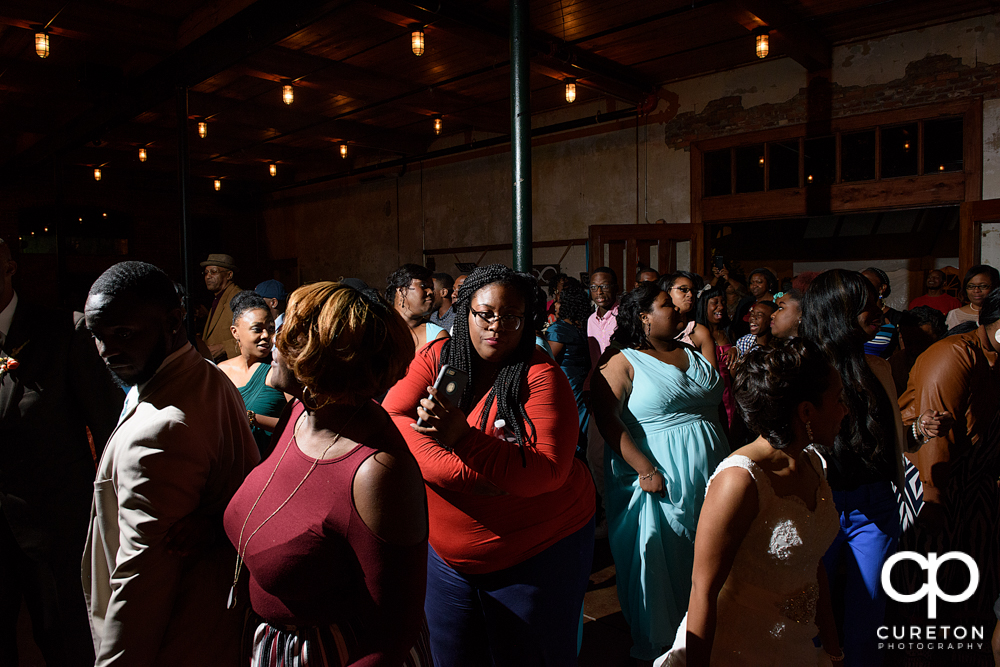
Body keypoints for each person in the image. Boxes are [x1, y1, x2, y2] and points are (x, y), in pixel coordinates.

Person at [383, 265, 595, 666]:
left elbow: (544, 471)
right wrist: (475, 473)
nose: (497, 326)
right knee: (453, 657)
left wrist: (460, 439)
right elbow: (392, 417)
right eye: (486, 313)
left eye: (511, 316)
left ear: (526, 321)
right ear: (465, 312)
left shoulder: (540, 376)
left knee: (530, 657)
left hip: (537, 552)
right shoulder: (439, 356)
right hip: (448, 560)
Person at [224, 282, 431, 667]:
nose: (273, 341)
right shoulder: (300, 415)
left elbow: (393, 631)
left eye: (286, 333)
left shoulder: (378, 472)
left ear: (319, 361)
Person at [82, 261, 259, 665]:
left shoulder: (160, 429)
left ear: (174, 321)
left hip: (175, 640)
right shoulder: (208, 377)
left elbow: (142, 580)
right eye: (98, 336)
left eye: (124, 334)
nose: (108, 352)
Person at [657, 339, 846, 666]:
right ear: (805, 411)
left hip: (796, 647)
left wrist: (833, 649)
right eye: (838, 400)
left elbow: (813, 562)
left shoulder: (813, 464)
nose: (845, 410)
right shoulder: (740, 480)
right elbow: (704, 590)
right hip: (735, 650)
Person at [799, 269, 949, 667]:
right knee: (812, 612)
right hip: (817, 503)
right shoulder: (802, 369)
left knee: (870, 611)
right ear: (841, 310)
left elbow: (889, 439)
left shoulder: (878, 367)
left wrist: (918, 429)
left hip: (874, 505)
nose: (881, 313)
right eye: (870, 306)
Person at [0, 239, 123, 666]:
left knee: (63, 639)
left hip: (53, 525)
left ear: (9, 267)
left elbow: (107, 429)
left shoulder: (61, 331)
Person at [592, 281, 729, 662]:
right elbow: (607, 419)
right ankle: (666, 647)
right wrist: (645, 468)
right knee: (665, 561)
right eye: (667, 304)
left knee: (711, 556)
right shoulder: (621, 360)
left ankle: (707, 636)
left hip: (712, 469)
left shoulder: (691, 351)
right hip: (660, 477)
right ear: (644, 317)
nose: (679, 310)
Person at [893, 289, 1000, 656]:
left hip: (974, 484)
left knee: (971, 600)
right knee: (930, 603)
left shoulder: (992, 355)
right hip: (936, 484)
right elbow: (933, 437)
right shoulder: (954, 354)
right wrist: (933, 501)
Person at [218, 291, 289, 457]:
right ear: (235, 332)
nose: (266, 336)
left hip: (267, 462)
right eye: (257, 329)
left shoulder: (279, 371)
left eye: (271, 329)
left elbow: (299, 425)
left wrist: (252, 418)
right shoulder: (221, 371)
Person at [545, 276, 592, 440]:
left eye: (558, 301)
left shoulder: (559, 330)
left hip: (567, 383)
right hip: (583, 382)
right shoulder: (586, 325)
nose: (555, 305)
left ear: (567, 305)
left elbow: (547, 360)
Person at [695, 285, 735, 426]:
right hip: (709, 392)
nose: (721, 307)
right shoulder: (696, 334)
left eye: (723, 302)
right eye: (715, 303)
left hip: (730, 392)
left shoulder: (729, 332)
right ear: (704, 305)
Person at [662, 271, 717, 369]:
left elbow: (713, 376)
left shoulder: (699, 332)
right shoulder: (655, 328)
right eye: (683, 290)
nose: (690, 295)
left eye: (693, 291)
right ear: (667, 291)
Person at [387, 263, 449, 348]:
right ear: (401, 291)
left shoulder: (437, 336)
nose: (430, 292)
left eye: (431, 288)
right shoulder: (380, 331)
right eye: (423, 286)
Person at [889, 305, 946, 395]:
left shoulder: (951, 363)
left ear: (941, 338)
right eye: (908, 343)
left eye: (921, 343)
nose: (914, 350)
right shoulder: (895, 364)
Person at [199, 253, 242, 361]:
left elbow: (252, 335)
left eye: (213, 272)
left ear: (229, 275)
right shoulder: (218, 298)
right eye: (206, 273)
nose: (208, 276)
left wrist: (224, 348)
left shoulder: (238, 297)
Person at [861, 267, 902, 359]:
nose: (862, 285)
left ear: (882, 288)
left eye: (867, 282)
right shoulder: (853, 314)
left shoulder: (896, 317)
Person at [945, 264, 1000, 330]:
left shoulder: (997, 314)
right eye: (971, 286)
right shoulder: (955, 315)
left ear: (995, 287)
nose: (976, 290)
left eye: (983, 286)